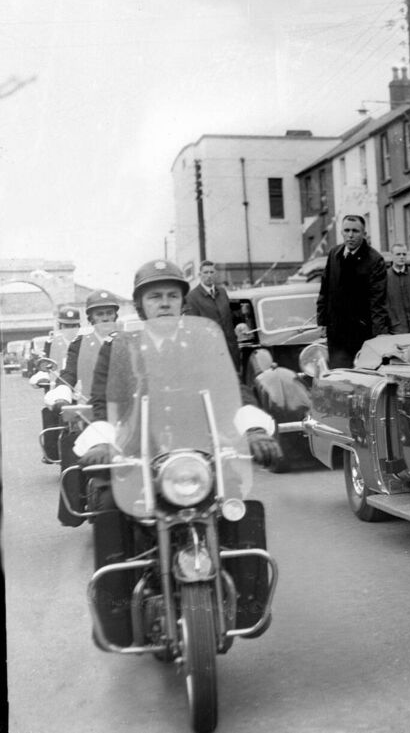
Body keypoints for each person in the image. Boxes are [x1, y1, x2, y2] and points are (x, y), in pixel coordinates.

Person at [76, 259, 281, 646]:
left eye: (172, 295)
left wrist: (253, 428)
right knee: (107, 504)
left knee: (237, 499)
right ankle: (116, 613)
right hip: (140, 453)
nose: (165, 303)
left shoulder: (203, 340)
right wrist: (103, 442)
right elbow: (103, 405)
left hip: (200, 450)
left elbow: (232, 389)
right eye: (155, 297)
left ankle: (250, 603)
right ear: (140, 305)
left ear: (183, 302)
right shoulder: (120, 347)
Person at [44, 289, 121, 526]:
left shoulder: (129, 338)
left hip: (125, 407)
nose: (106, 318)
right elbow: (68, 373)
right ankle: (75, 507)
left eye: (110, 313)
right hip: (90, 409)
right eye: (100, 314)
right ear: (91, 319)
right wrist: (62, 394)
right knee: (72, 441)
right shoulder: (80, 343)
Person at [316, 215, 389, 368]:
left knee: (360, 377)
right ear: (341, 232)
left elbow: (378, 302)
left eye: (355, 231)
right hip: (336, 331)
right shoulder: (334, 254)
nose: (350, 235)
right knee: (338, 376)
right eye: (347, 230)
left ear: (364, 234)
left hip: (361, 334)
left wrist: (378, 337)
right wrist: (322, 321)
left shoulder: (375, 260)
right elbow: (325, 289)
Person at [184, 260, 239, 368]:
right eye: (205, 272)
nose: (209, 275)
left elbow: (230, 316)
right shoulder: (191, 297)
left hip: (231, 350)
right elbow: (193, 329)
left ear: (216, 274)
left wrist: (239, 325)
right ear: (199, 275)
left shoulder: (222, 292)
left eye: (211, 272)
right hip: (210, 353)